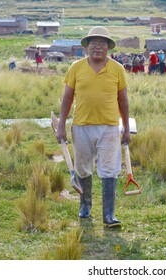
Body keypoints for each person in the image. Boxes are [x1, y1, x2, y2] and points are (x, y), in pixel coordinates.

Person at [56, 26, 130, 228]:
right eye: (94, 43)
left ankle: (109, 215)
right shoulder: (76, 68)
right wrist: (61, 126)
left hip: (109, 127)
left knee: (109, 169)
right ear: (87, 47)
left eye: (103, 44)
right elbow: (67, 98)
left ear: (108, 48)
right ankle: (85, 206)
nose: (98, 47)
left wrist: (125, 126)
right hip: (82, 126)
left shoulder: (117, 69)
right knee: (82, 167)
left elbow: (123, 100)